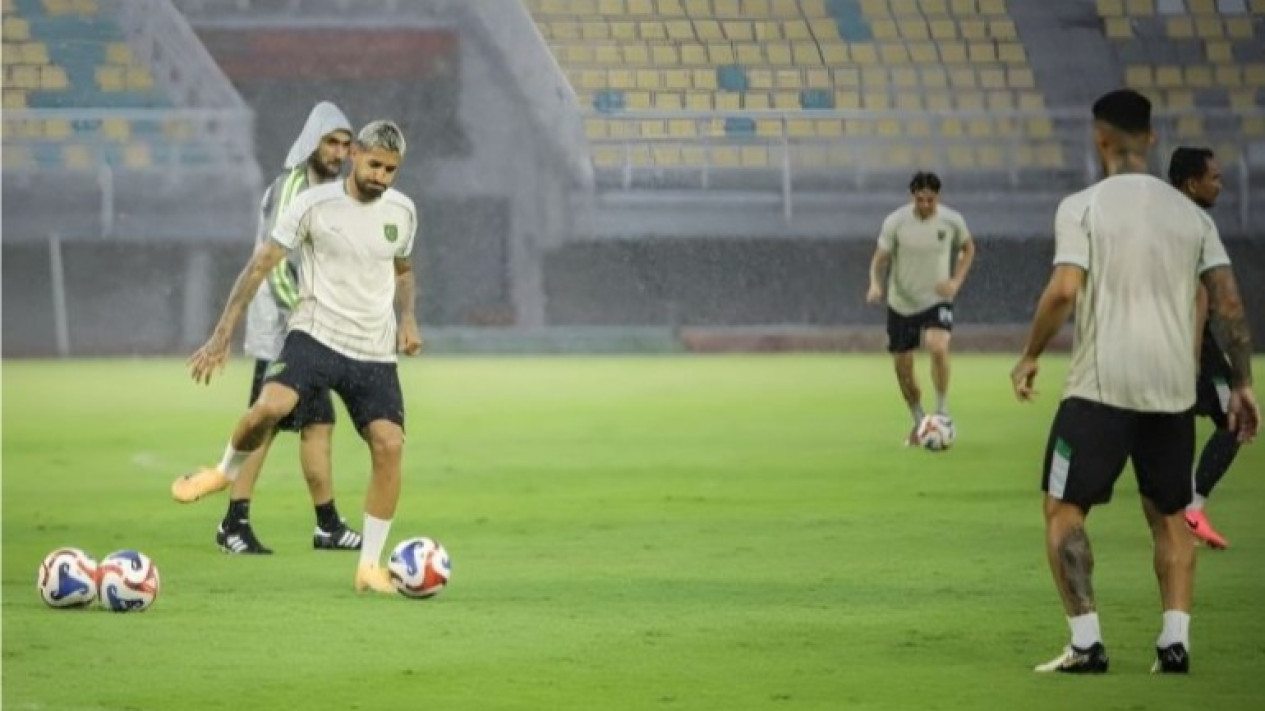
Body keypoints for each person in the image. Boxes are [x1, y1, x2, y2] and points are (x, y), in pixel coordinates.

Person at [1010, 90, 1258, 675]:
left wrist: (1029, 355)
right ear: (1151, 138)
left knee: (1063, 510)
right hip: (1171, 390)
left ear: (1099, 138)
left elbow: (1065, 289)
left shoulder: (1083, 206)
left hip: (1100, 387)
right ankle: (1175, 644)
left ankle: (1088, 643)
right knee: (1170, 515)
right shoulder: (1191, 216)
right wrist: (1243, 382)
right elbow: (1227, 299)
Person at [185, 120, 422, 593]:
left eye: (390, 170)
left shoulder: (403, 210)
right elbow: (261, 264)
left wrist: (409, 319)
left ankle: (369, 566)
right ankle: (222, 471)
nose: (381, 177)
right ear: (354, 154)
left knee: (389, 444)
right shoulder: (312, 204)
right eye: (374, 164)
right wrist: (222, 333)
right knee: (270, 408)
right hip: (313, 335)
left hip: (373, 351)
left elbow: (402, 269)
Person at [171, 102, 364, 556]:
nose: (338, 153)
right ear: (312, 142)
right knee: (270, 421)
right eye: (330, 143)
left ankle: (324, 525)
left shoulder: (332, 188)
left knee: (315, 421)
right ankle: (237, 523)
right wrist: (301, 314)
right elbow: (272, 264)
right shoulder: (294, 187)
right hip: (285, 324)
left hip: (308, 324)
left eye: (343, 145)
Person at [866, 171, 976, 444]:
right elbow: (879, 259)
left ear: (938, 196)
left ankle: (942, 413)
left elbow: (969, 248)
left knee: (938, 347)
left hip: (936, 299)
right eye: (920, 199)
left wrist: (956, 282)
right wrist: (875, 284)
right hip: (901, 302)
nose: (925, 205)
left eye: (930, 200)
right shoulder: (896, 222)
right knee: (903, 368)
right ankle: (919, 422)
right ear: (912, 196)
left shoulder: (952, 220)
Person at [1168, 147, 1238, 549]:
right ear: (1192, 183)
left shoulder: (1157, 219)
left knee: (1166, 424)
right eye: (1214, 177)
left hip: (1155, 337)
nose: (1220, 184)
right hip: (1191, 341)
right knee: (1235, 418)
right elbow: (1204, 294)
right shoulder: (1195, 225)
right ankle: (1189, 509)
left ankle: (1176, 512)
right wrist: (1194, 352)